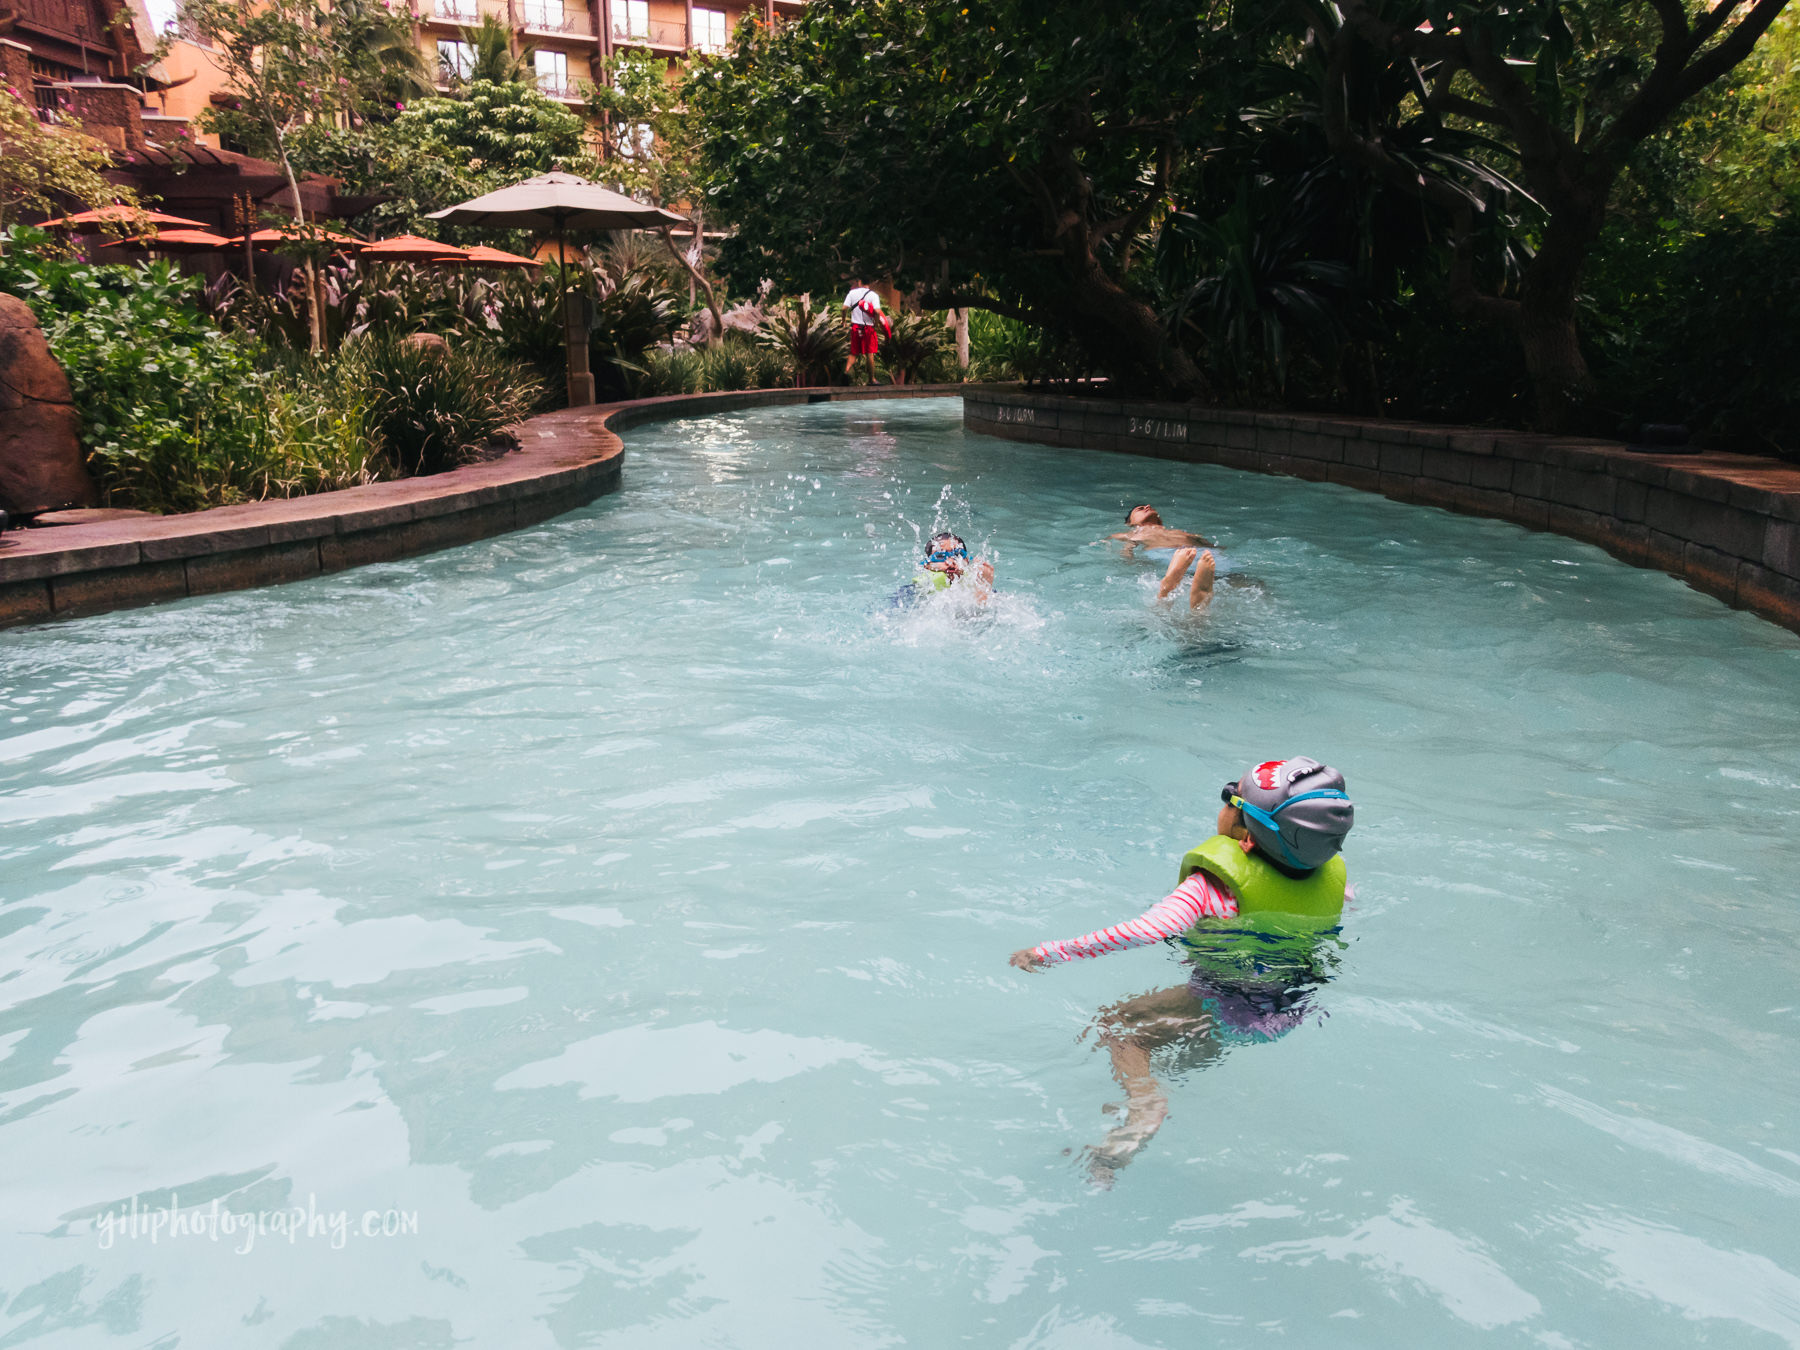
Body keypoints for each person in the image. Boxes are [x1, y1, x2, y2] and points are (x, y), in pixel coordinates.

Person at [1010, 757, 1355, 1183]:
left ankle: (1144, 1104)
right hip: (1294, 1002)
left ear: (1246, 833)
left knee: (1119, 1027)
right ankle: (1129, 1125)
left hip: (1226, 998)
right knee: (1179, 1046)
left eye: (1233, 796)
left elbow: (1142, 931)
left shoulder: (1212, 887)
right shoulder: (1330, 874)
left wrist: (1050, 951)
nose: (1226, 803)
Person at [1110, 505, 1216, 610]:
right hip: (1167, 554)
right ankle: (1169, 585)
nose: (1147, 506)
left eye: (1148, 506)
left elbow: (1211, 547)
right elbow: (1125, 554)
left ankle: (1197, 602)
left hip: (1199, 554)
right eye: (1140, 509)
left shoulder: (1182, 533)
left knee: (1218, 568)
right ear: (1130, 522)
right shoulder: (1131, 534)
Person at [891, 531, 994, 608]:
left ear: (967, 560)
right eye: (940, 556)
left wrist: (982, 590)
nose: (950, 561)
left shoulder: (987, 590)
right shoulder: (911, 592)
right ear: (927, 565)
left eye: (957, 554)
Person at [843, 279, 889, 378]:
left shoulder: (852, 293)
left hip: (855, 327)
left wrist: (843, 321)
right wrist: (876, 324)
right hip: (868, 328)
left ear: (860, 282)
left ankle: (846, 372)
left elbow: (844, 309)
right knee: (869, 353)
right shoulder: (873, 295)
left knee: (853, 352)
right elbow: (877, 312)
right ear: (870, 283)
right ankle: (872, 379)